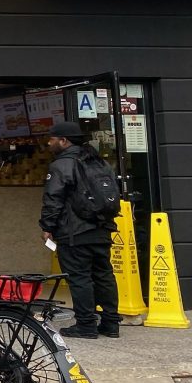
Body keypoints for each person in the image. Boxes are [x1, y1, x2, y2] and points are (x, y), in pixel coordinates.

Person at [40, 120, 120, 340]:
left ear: (64, 141)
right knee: (104, 274)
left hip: (75, 231)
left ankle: (86, 324)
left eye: (52, 139)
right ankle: (111, 323)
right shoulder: (99, 162)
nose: (49, 143)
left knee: (79, 277)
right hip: (102, 228)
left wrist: (47, 226)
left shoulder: (61, 165)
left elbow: (53, 199)